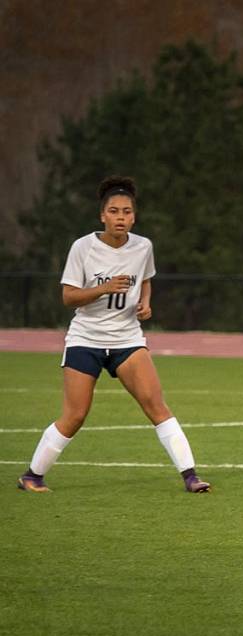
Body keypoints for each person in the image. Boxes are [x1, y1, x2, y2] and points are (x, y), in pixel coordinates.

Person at [17, 176, 211, 494]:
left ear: (134, 216)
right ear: (102, 216)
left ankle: (190, 476)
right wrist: (103, 288)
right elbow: (68, 297)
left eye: (126, 211)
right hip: (86, 339)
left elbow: (145, 279)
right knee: (75, 415)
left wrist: (146, 303)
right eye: (114, 211)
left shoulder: (143, 246)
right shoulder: (82, 247)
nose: (120, 217)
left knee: (157, 406)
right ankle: (32, 476)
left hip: (127, 339)